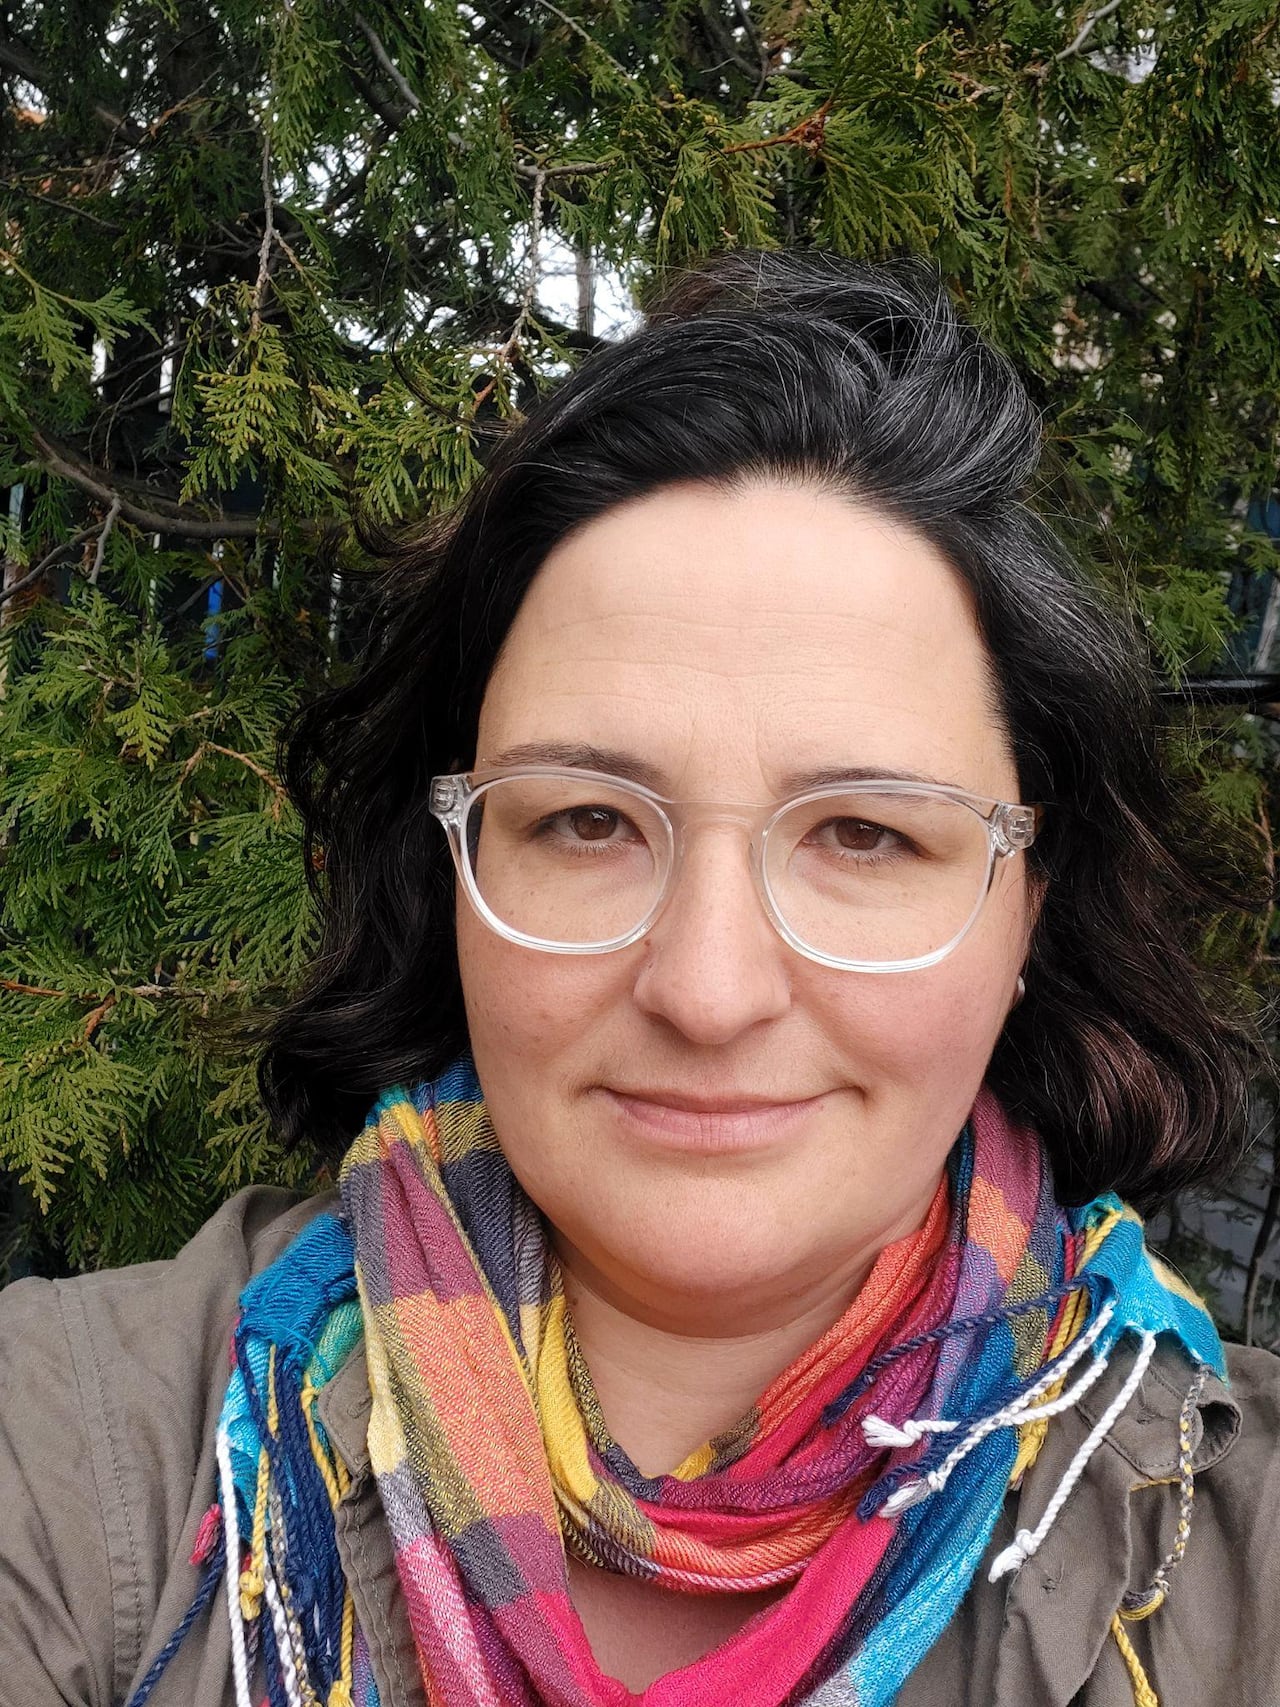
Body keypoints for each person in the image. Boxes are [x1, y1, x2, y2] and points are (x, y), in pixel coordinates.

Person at [1, 249, 1277, 1707]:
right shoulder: (78, 1464)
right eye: (588, 823)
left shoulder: (1237, 1559)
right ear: (455, 874)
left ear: (1028, 911)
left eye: (864, 834)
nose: (709, 989)